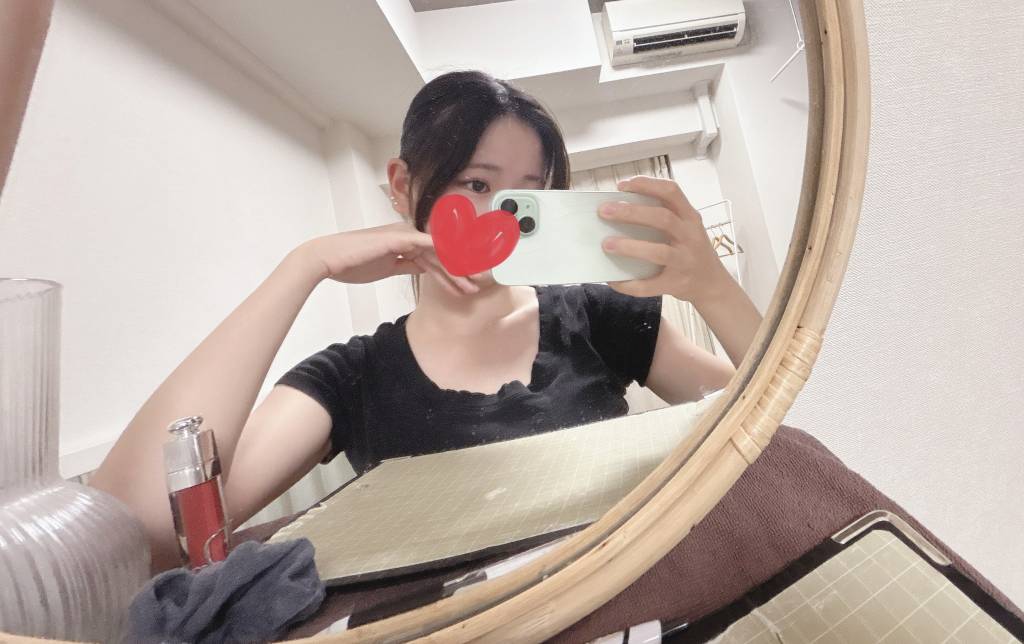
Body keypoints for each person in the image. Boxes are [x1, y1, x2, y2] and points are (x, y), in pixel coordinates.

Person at [89, 70, 763, 572]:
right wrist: (303, 266)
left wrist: (712, 288)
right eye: (477, 184)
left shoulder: (596, 318)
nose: (499, 218)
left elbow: (766, 421)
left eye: (526, 196)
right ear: (403, 186)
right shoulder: (352, 376)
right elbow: (143, 532)